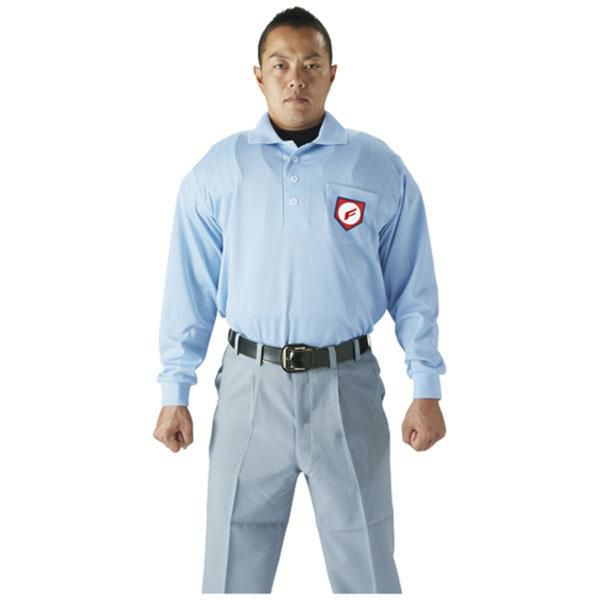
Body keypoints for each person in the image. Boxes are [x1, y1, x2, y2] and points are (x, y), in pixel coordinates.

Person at [153, 6, 447, 594]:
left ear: (332, 74)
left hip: (347, 385)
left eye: (311, 65)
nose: (296, 79)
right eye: (280, 65)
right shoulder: (219, 171)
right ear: (258, 75)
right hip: (249, 387)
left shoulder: (377, 166)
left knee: (367, 566)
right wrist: (174, 391)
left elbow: (413, 284)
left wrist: (426, 386)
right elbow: (189, 288)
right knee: (232, 571)